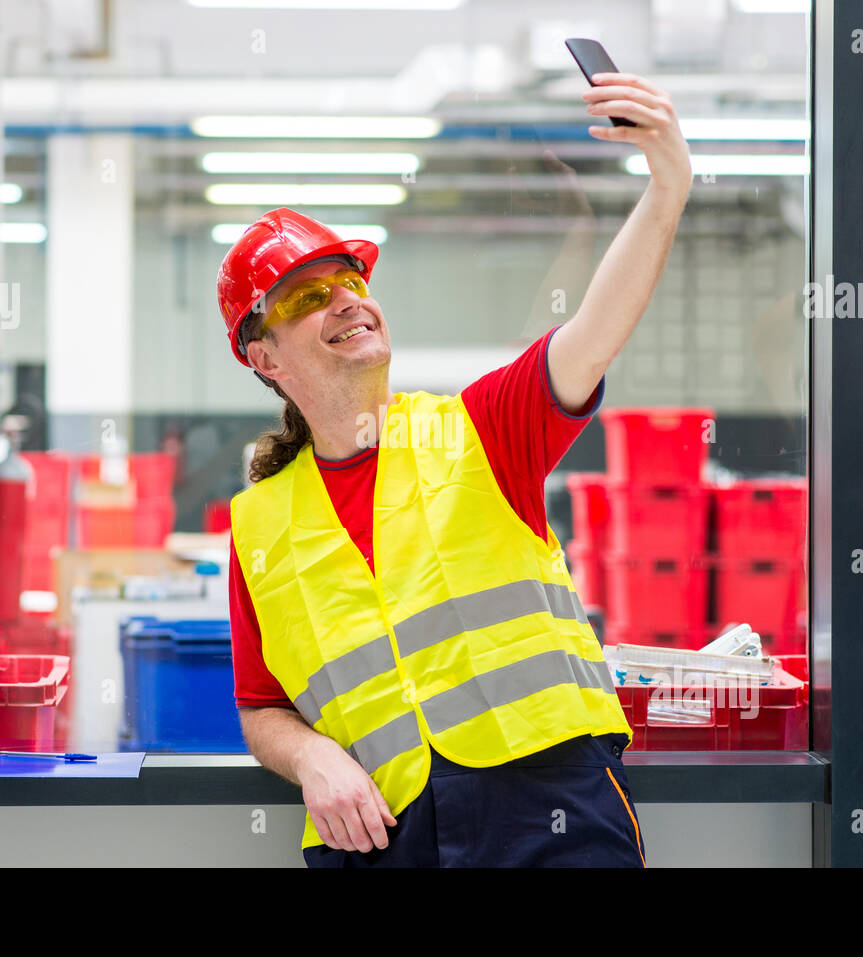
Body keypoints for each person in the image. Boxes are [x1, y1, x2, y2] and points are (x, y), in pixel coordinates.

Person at [218, 72, 691, 867]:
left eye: (351, 281)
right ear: (264, 358)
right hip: (381, 832)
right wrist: (311, 759)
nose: (345, 300)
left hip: (549, 809)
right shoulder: (258, 524)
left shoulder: (482, 428)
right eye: (306, 297)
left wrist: (667, 186)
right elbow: (262, 705)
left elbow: (594, 330)